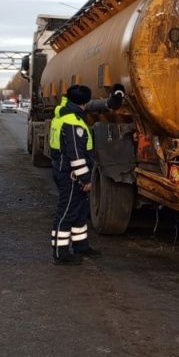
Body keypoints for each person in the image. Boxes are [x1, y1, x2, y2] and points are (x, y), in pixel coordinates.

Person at [48, 84, 126, 265]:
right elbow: (76, 156)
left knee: (79, 212)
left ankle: (80, 245)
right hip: (71, 175)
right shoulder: (73, 123)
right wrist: (85, 179)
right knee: (66, 213)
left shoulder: (65, 115)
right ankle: (61, 254)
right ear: (85, 101)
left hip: (65, 171)